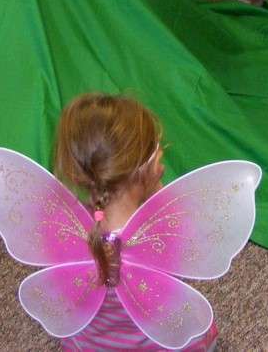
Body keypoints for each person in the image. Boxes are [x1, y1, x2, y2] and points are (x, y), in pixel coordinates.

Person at [54, 93, 218, 350]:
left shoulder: (66, 231)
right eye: (158, 147)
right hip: (157, 344)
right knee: (201, 324)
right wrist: (160, 195)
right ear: (144, 169)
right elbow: (169, 298)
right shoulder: (165, 234)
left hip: (91, 345)